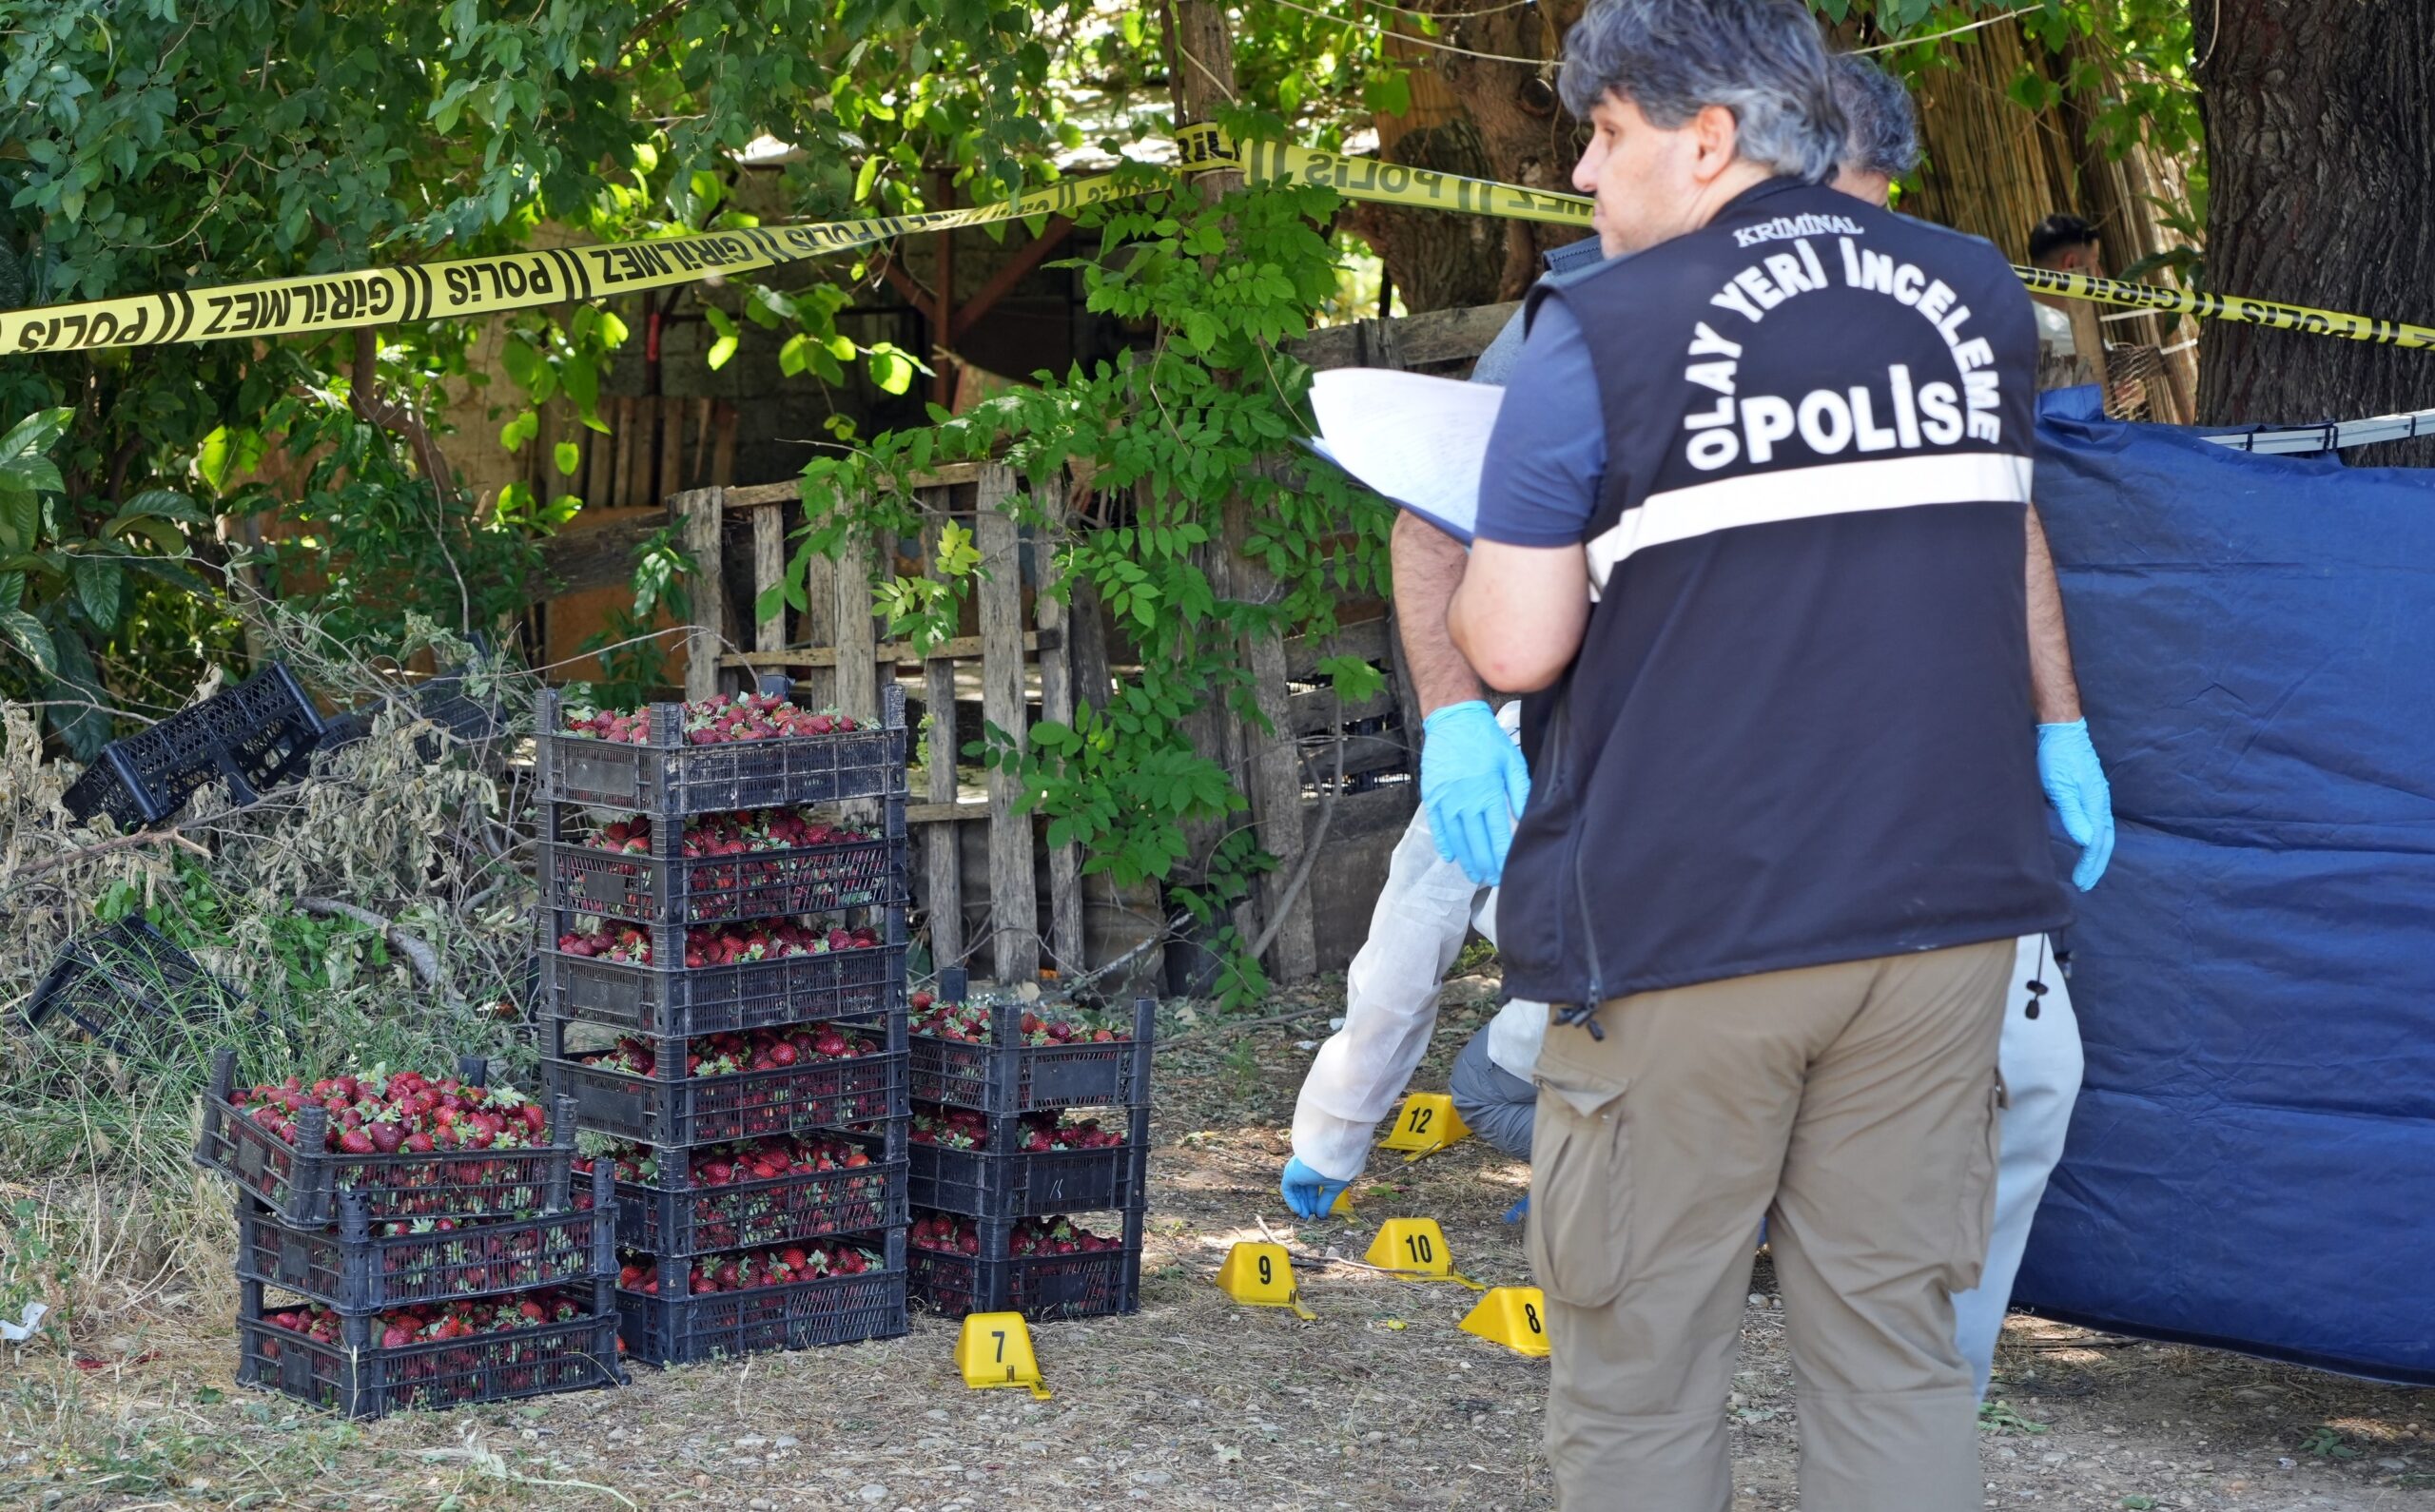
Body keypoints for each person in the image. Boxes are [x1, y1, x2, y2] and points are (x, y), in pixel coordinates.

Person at [1282, 48, 2101, 1404]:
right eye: (1844, 197)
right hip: (1620, 782)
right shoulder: (1591, 311)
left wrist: (2057, 727)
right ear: (1760, 153)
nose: (1850, 241)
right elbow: (1439, 522)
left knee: (2033, 1069)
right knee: (1427, 926)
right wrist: (1458, 718)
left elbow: (2002, 513)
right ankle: (1357, 1132)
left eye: (1882, 207)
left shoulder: (1922, 306)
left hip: (1902, 807)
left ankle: (1917, 1369)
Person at [2027, 212, 2103, 358]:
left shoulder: (2007, 314)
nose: (2100, 275)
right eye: (2094, 263)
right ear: (2071, 265)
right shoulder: (2065, 334)